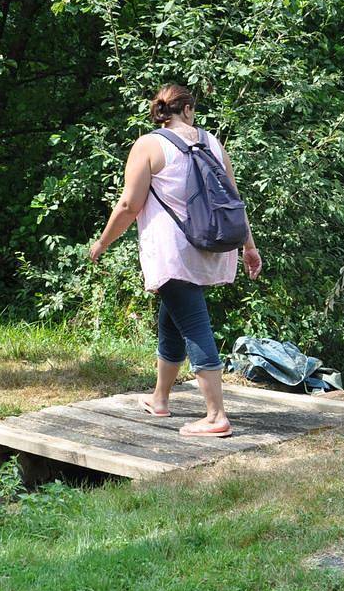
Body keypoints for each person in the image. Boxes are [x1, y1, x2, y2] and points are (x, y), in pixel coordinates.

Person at [89, 84, 262, 437]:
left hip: (171, 251)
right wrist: (249, 245)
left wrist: (102, 243)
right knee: (173, 319)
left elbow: (128, 205)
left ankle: (216, 416)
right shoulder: (212, 142)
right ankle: (160, 398)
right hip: (209, 246)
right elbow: (233, 198)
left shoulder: (149, 145)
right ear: (188, 109)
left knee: (194, 323)